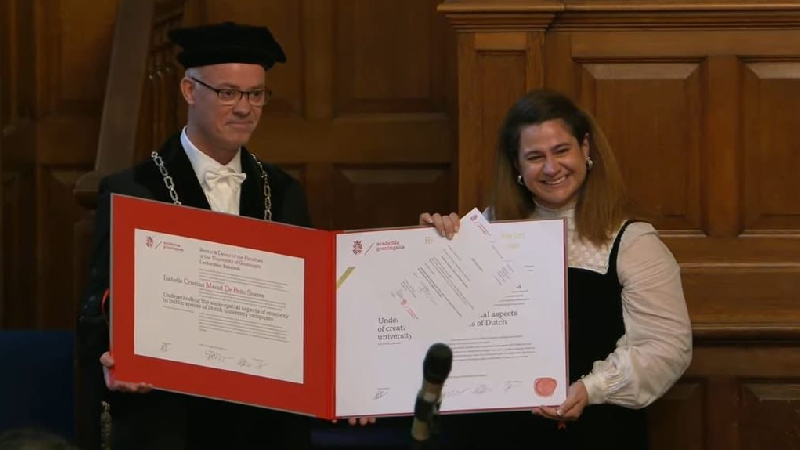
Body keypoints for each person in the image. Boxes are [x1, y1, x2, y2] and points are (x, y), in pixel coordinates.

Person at [75, 21, 350, 450]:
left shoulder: (283, 191)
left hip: (264, 419)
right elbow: (99, 307)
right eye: (227, 93)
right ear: (189, 91)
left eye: (255, 94)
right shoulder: (133, 189)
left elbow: (308, 306)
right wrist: (112, 355)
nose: (244, 108)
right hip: (172, 418)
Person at [419, 89, 693, 449]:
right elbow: (439, 324)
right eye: (535, 156)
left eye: (561, 150)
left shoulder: (632, 241)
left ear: (586, 149)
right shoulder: (486, 230)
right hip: (488, 434)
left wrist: (591, 389)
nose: (551, 168)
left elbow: (667, 347)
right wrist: (432, 250)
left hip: (594, 433)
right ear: (516, 166)